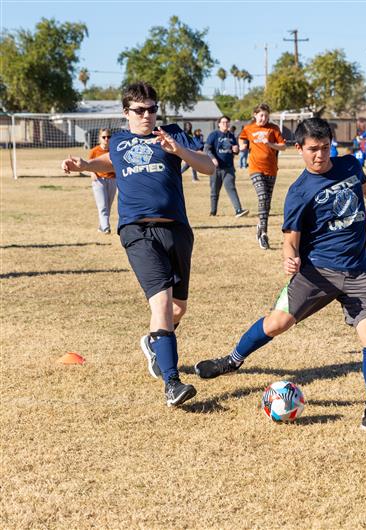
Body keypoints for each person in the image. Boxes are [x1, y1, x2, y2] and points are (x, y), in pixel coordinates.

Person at [194, 117, 366, 433]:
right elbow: (290, 241)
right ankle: (232, 360)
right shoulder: (299, 192)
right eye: (313, 149)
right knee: (277, 323)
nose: (320, 155)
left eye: (325, 148)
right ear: (300, 149)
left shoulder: (349, 166)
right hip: (316, 273)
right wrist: (290, 260)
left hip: (358, 271)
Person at [61, 81, 215, 407]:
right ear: (126, 113)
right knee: (160, 305)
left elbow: (209, 167)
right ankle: (172, 384)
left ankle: (152, 341)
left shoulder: (171, 135)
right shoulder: (117, 141)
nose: (147, 115)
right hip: (137, 231)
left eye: (152, 109)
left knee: (177, 308)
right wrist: (86, 165)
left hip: (176, 229)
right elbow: (111, 162)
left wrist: (179, 151)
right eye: (140, 110)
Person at [238, 103, 286, 250]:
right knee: (263, 197)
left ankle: (261, 226)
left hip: (271, 169)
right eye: (261, 115)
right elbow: (241, 138)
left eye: (266, 116)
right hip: (255, 168)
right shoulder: (249, 128)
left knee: (267, 203)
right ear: (255, 115)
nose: (264, 118)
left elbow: (283, 146)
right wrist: (242, 146)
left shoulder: (273, 128)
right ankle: (264, 234)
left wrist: (271, 144)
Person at [204, 115, 249, 218]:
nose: (225, 124)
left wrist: (236, 150)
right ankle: (213, 211)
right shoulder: (214, 135)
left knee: (231, 188)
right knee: (214, 190)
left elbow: (235, 150)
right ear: (219, 124)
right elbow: (206, 149)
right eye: (223, 122)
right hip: (216, 169)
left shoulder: (231, 135)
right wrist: (213, 158)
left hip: (228, 168)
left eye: (227, 122)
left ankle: (238, 210)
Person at [88, 128, 117, 234]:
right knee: (102, 205)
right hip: (99, 180)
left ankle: (102, 226)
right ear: (99, 138)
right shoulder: (94, 151)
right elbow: (89, 164)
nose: (106, 139)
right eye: (104, 137)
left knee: (108, 205)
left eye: (109, 137)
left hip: (112, 179)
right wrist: (92, 173)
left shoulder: (114, 150)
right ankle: (106, 227)